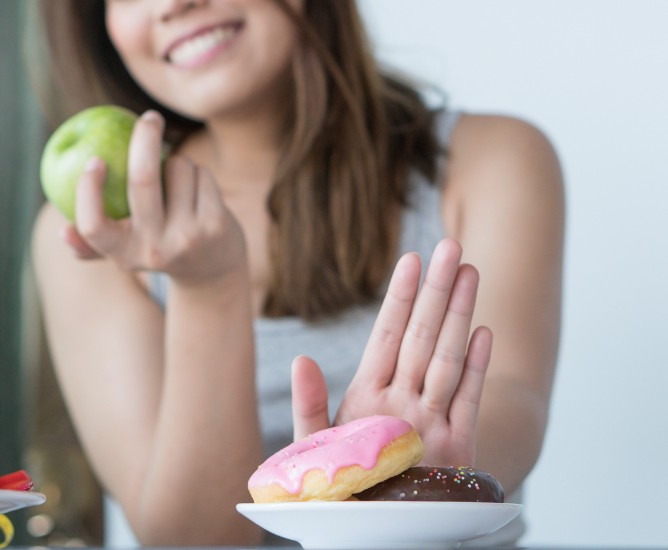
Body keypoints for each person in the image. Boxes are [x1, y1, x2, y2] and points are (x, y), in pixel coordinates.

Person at [31, 0, 564, 546]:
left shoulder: (493, 158)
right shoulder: (93, 234)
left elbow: (512, 400)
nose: (172, 4)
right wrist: (209, 289)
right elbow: (194, 542)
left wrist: (391, 465)